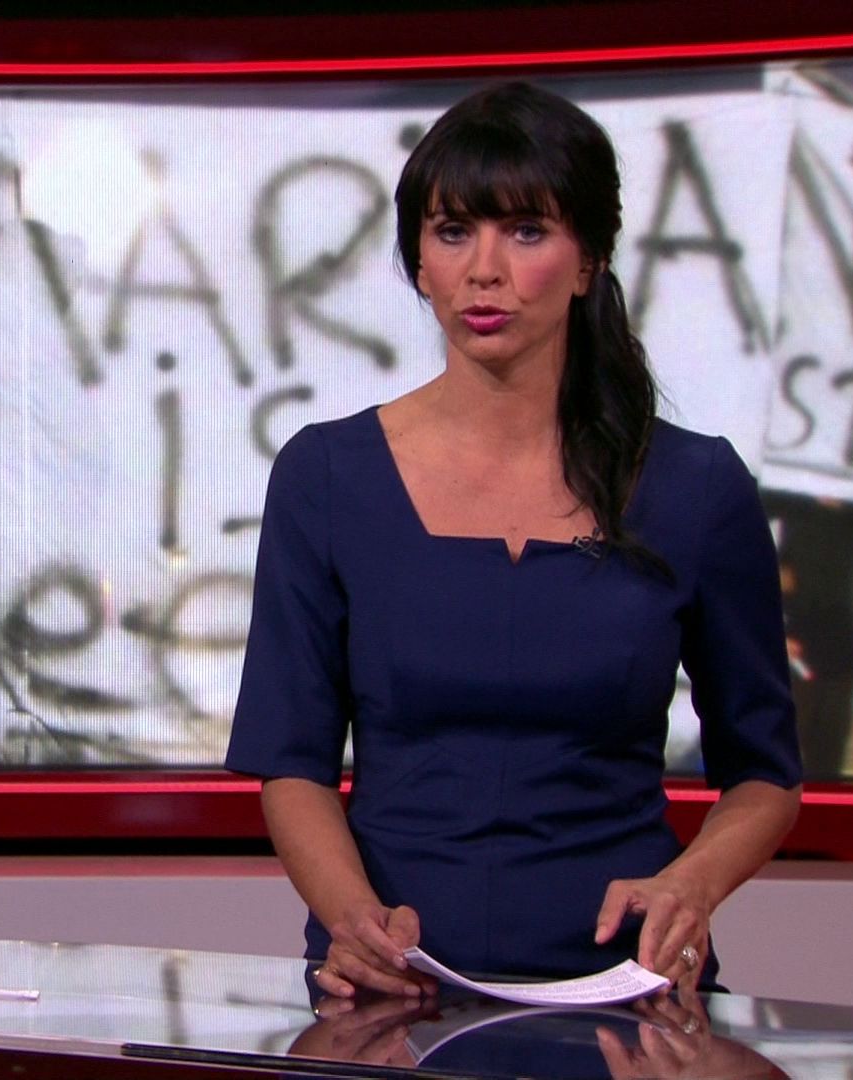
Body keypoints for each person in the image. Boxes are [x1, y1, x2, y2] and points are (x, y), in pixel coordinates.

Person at [224, 82, 803, 1001]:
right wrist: (354, 921)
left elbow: (764, 776)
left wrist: (689, 887)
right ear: (420, 262)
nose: (484, 270)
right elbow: (291, 762)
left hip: (627, 990)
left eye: (527, 231)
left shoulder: (697, 487)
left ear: (588, 261)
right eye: (454, 232)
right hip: (393, 990)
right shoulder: (326, 476)